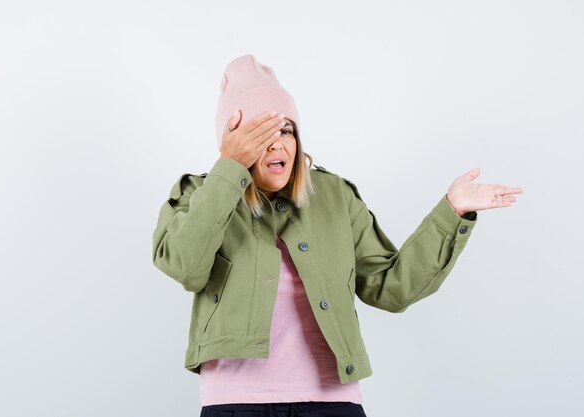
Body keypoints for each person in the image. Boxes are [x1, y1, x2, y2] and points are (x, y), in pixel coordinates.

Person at [152, 54, 523, 417]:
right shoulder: (198, 195)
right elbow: (186, 267)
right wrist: (228, 171)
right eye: (260, 133)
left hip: (332, 402)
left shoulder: (334, 195)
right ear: (232, 143)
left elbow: (392, 287)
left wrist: (452, 211)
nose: (278, 143)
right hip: (234, 400)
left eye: (286, 130)